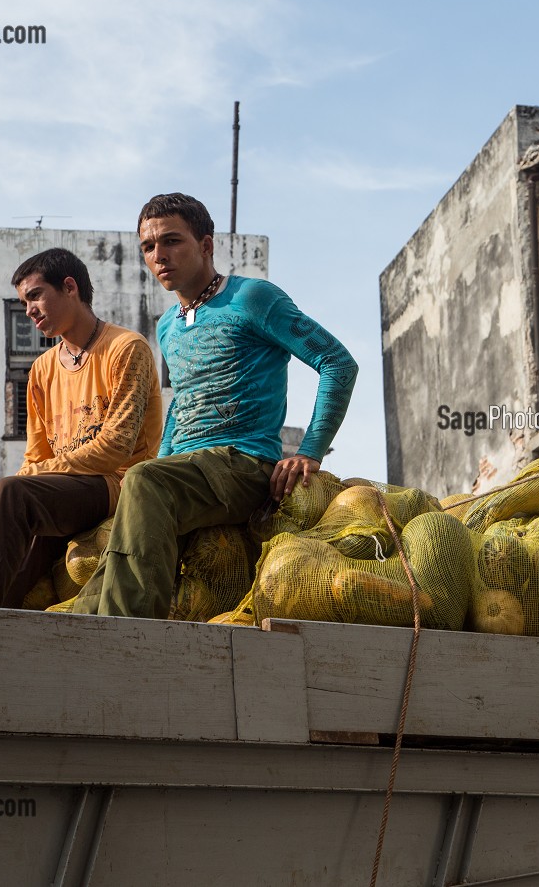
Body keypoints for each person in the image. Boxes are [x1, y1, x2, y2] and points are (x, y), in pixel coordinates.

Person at [72, 192, 358, 618]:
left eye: (172, 241)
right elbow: (183, 404)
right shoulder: (167, 326)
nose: (159, 256)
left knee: (146, 482)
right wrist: (158, 462)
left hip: (242, 463)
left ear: (206, 245)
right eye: (148, 247)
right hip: (187, 473)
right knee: (106, 569)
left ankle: (126, 637)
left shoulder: (254, 298)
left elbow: (337, 362)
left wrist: (310, 451)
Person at [0, 248, 163, 608]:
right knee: (14, 527)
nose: (28, 309)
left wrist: (21, 485)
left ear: (69, 287)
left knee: (15, 495)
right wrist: (18, 486)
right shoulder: (43, 369)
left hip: (117, 484)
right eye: (23, 301)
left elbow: (116, 447)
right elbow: (36, 455)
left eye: (35, 295)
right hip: (68, 492)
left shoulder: (126, 348)